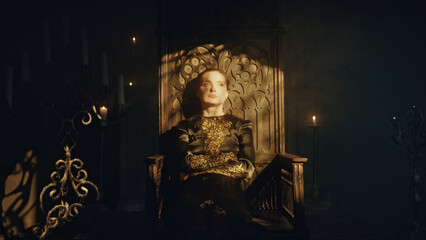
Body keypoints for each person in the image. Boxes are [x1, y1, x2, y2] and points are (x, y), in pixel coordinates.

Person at [173, 69, 255, 239]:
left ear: (226, 93)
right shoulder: (185, 126)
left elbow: (247, 168)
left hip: (229, 189)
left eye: (219, 84)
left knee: (232, 217)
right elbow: (184, 163)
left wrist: (197, 165)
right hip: (194, 189)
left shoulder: (241, 125)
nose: (212, 89)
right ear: (198, 91)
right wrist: (228, 160)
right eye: (206, 84)